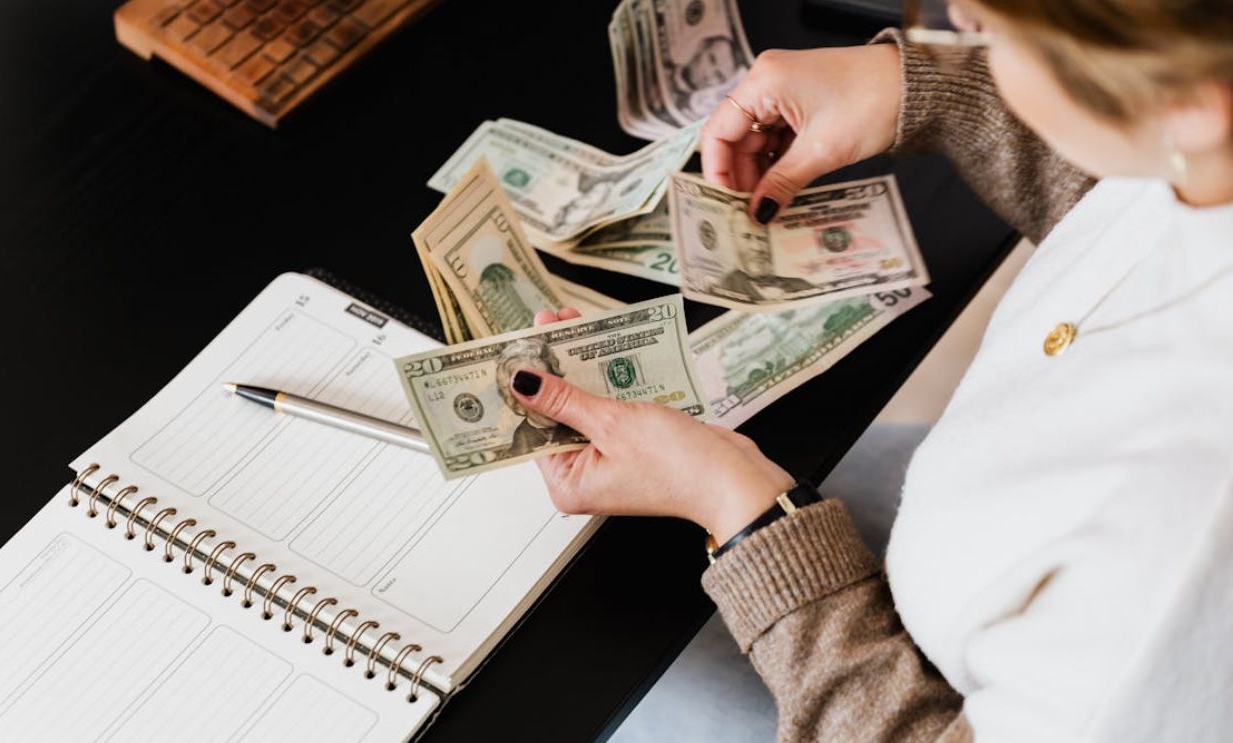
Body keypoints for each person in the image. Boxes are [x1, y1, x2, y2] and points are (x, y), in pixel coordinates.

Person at [509, 0, 1233, 740]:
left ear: (1191, 103)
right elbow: (1131, 200)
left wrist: (743, 513)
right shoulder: (1208, 157)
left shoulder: (1177, 566)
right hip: (943, 528)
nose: (954, 20)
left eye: (994, 30)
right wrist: (921, 91)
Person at [494, 337, 582, 457]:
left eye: (549, 386)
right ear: (517, 404)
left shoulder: (574, 420)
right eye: (530, 390)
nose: (547, 399)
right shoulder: (521, 437)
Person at [711, 206, 817, 302]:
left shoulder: (802, 285)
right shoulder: (726, 286)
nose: (757, 248)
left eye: (762, 238)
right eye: (746, 237)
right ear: (733, 240)